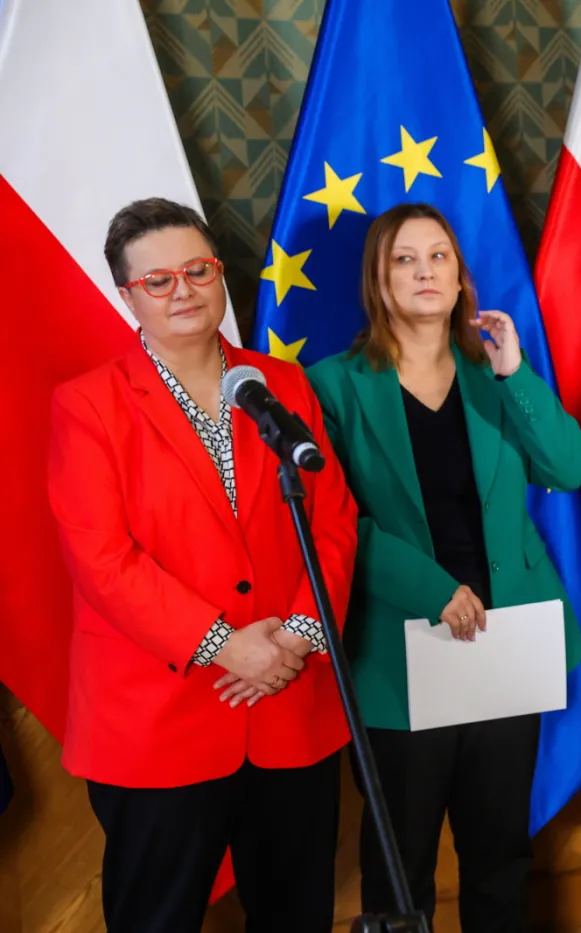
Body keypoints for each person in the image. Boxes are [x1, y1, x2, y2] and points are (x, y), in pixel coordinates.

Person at [46, 197, 358, 932]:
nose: (182, 289)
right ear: (127, 295)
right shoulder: (88, 405)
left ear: (219, 273)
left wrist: (301, 635)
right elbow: (102, 559)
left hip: (290, 703)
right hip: (160, 720)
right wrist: (227, 643)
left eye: (197, 269)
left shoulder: (281, 384)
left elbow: (336, 520)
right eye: (157, 280)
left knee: (297, 915)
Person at [306, 202, 581, 931]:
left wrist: (516, 373)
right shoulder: (332, 384)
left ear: (461, 275)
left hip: (505, 641)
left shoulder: (492, 370)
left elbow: (568, 465)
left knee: (500, 856)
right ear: (379, 276)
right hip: (404, 647)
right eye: (405, 258)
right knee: (399, 863)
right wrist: (433, 589)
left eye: (439, 256)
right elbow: (331, 523)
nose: (425, 271)